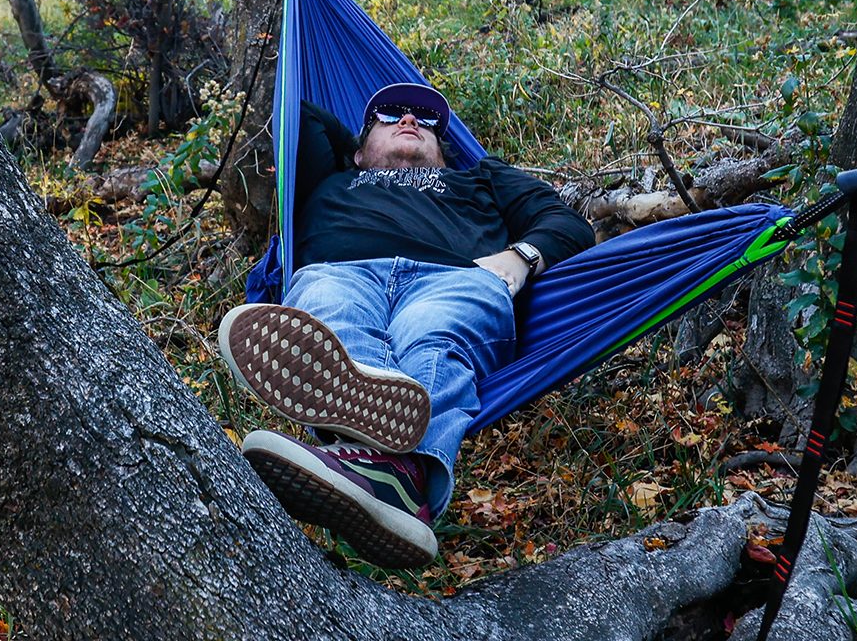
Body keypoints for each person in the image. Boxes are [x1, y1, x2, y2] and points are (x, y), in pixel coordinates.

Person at [217, 82, 594, 568]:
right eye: (391, 115)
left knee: (432, 335)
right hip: (341, 271)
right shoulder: (333, 177)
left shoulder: (482, 177)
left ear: (445, 151)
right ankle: (399, 475)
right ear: (357, 152)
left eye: (426, 121)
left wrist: (520, 257)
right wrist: (357, 149)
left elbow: (566, 223)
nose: (411, 120)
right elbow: (297, 106)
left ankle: (368, 458)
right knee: (335, 318)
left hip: (455, 278)